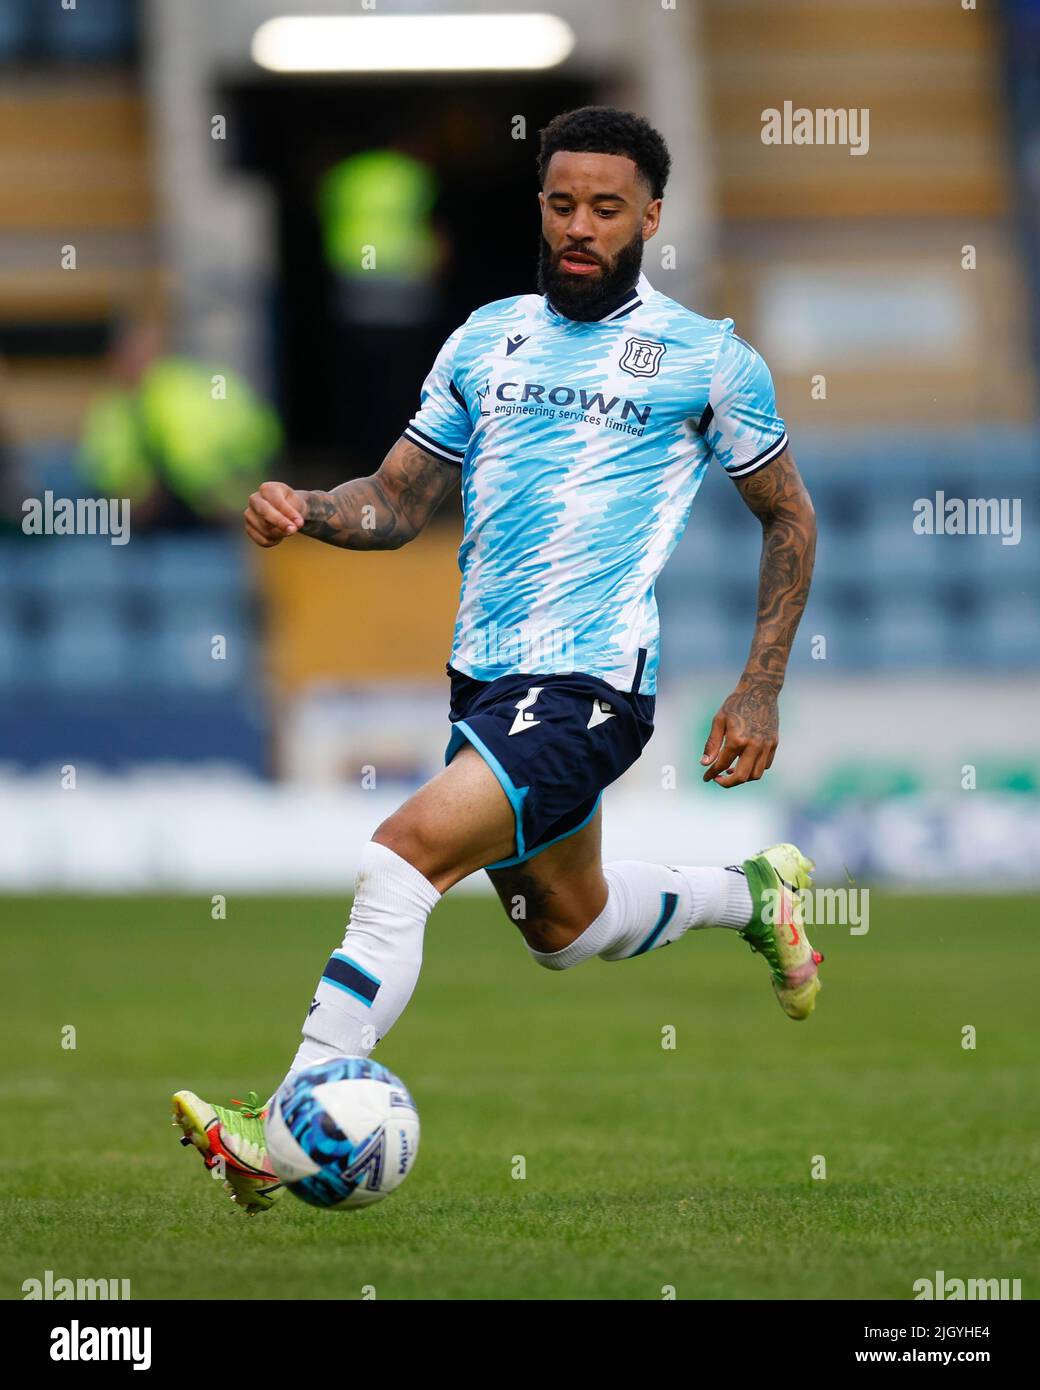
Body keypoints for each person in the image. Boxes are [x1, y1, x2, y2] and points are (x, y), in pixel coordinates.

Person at [172, 106, 821, 1213]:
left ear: (650, 217)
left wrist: (757, 686)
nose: (578, 227)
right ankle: (747, 892)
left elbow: (788, 518)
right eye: (561, 204)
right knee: (562, 928)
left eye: (605, 209)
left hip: (590, 685)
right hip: (485, 678)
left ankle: (274, 1127)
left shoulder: (708, 359)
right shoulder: (486, 337)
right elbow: (395, 499)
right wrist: (309, 508)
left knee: (402, 855)